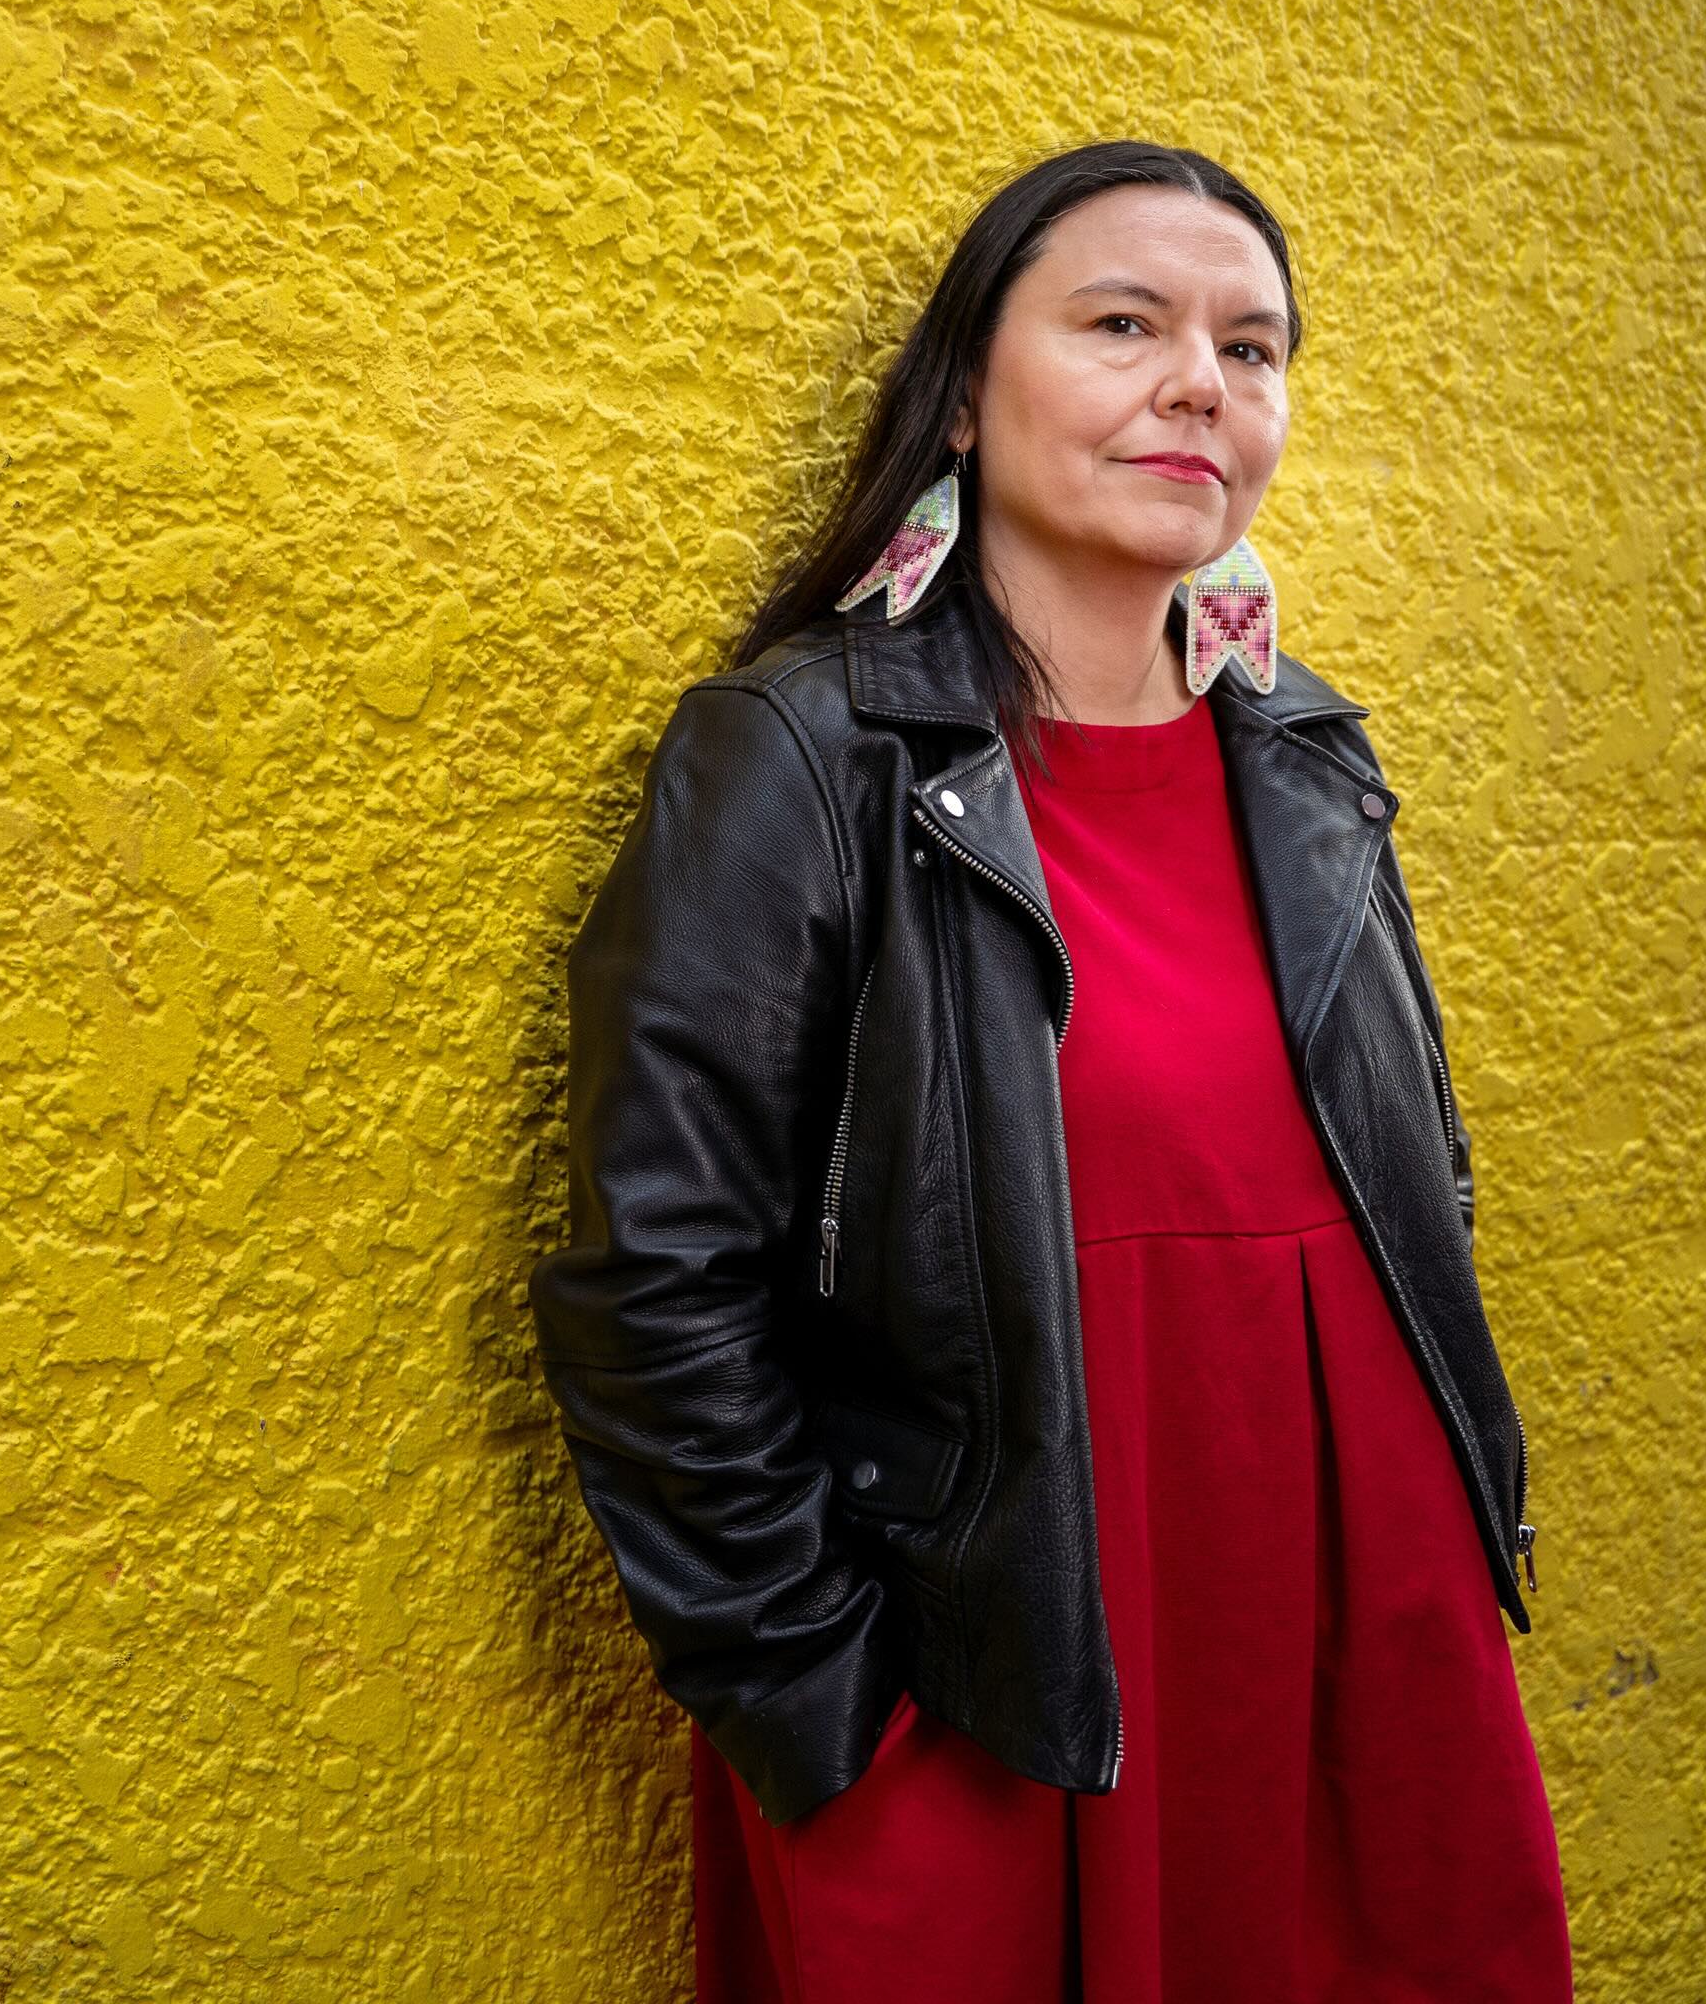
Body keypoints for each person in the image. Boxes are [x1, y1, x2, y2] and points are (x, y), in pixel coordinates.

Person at [527, 141, 1572, 2001]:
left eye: (1253, 350)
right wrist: (821, 1710)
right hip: (991, 1673)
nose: (1204, 383)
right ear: (962, 399)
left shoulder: (1312, 757)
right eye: (1124, 324)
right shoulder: (797, 755)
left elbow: (1421, 1183)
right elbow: (656, 1284)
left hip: (1352, 1645)